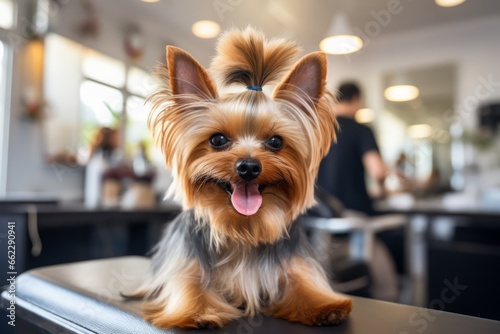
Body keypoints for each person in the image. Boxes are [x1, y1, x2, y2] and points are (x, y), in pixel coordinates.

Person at [318, 82, 386, 215]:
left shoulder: (318, 130)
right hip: (355, 213)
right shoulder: (362, 131)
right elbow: (378, 172)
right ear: (357, 100)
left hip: (322, 212)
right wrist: (382, 189)